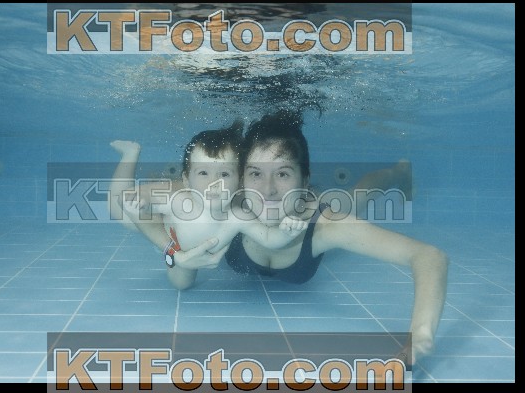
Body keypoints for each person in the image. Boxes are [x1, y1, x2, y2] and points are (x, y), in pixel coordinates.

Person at [123, 109, 448, 366]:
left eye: (282, 173)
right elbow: (137, 206)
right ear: (239, 179)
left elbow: (428, 256)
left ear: (304, 179)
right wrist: (175, 254)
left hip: (310, 211)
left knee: (356, 197)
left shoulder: (326, 225)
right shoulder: (224, 201)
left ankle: (397, 173)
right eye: (255, 174)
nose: (267, 190)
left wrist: (419, 335)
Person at [109, 121, 308, 288]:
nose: (214, 183)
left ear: (239, 181)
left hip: (194, 254)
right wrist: (141, 205)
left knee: (182, 285)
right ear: (186, 180)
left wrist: (286, 233)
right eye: (203, 173)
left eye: (224, 174)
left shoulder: (238, 217)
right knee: (121, 214)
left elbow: (268, 238)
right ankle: (130, 153)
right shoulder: (178, 202)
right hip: (171, 237)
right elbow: (127, 202)